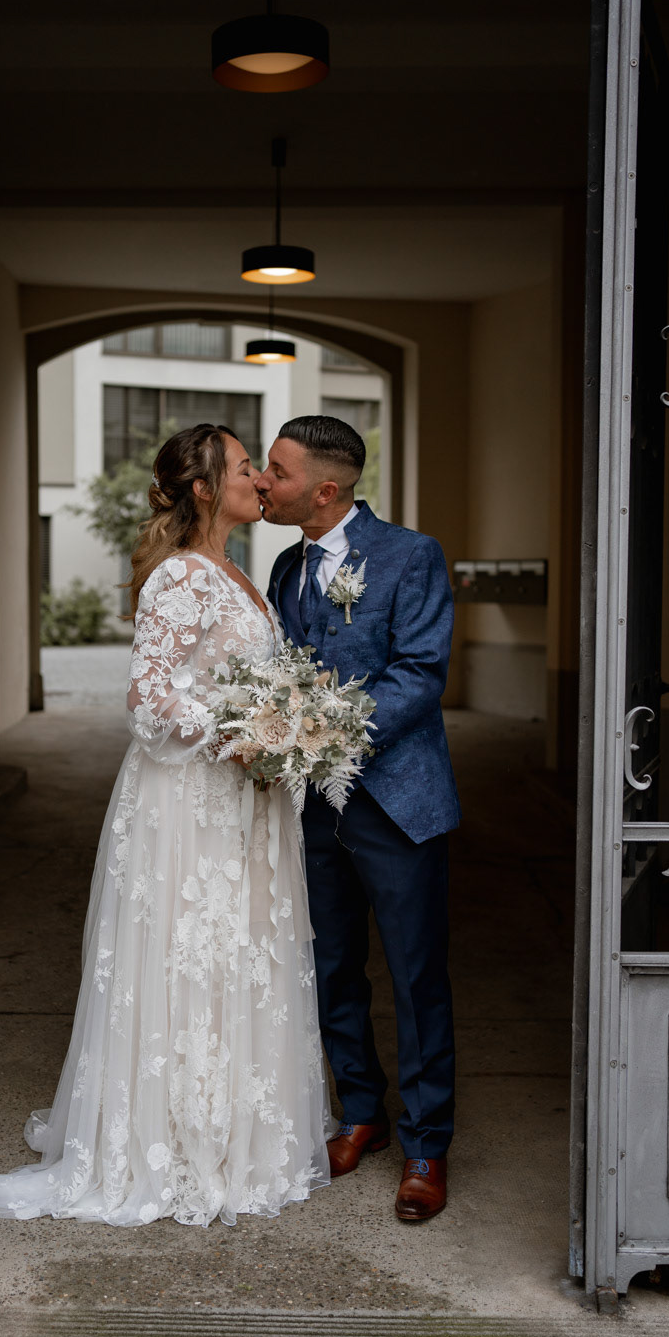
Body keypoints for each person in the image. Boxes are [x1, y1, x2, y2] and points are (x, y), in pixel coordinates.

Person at [0, 423, 331, 1227]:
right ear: (204, 488)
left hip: (241, 803)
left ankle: (231, 1131)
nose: (258, 480)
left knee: (237, 955)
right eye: (245, 467)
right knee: (188, 953)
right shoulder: (179, 578)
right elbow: (148, 696)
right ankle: (171, 1138)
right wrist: (237, 734)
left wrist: (287, 729)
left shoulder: (237, 573)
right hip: (190, 805)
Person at [255, 415, 460, 1222]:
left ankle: (426, 1144)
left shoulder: (412, 556)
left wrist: (326, 730)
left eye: (277, 470)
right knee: (331, 964)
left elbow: (420, 673)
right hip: (311, 805)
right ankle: (362, 1113)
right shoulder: (285, 566)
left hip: (397, 803)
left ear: (325, 489)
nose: (263, 481)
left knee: (415, 974)